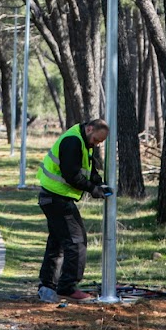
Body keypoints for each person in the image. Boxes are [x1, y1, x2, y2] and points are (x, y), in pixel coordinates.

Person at [36, 118, 111, 302]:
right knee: (76, 241)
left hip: (52, 197)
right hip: (56, 197)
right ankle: (67, 288)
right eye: (96, 140)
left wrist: (99, 183)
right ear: (90, 128)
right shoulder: (73, 141)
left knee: (57, 242)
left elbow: (88, 169)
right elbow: (72, 175)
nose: (96, 144)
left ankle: (47, 285)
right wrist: (92, 189)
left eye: (99, 142)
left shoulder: (83, 141)